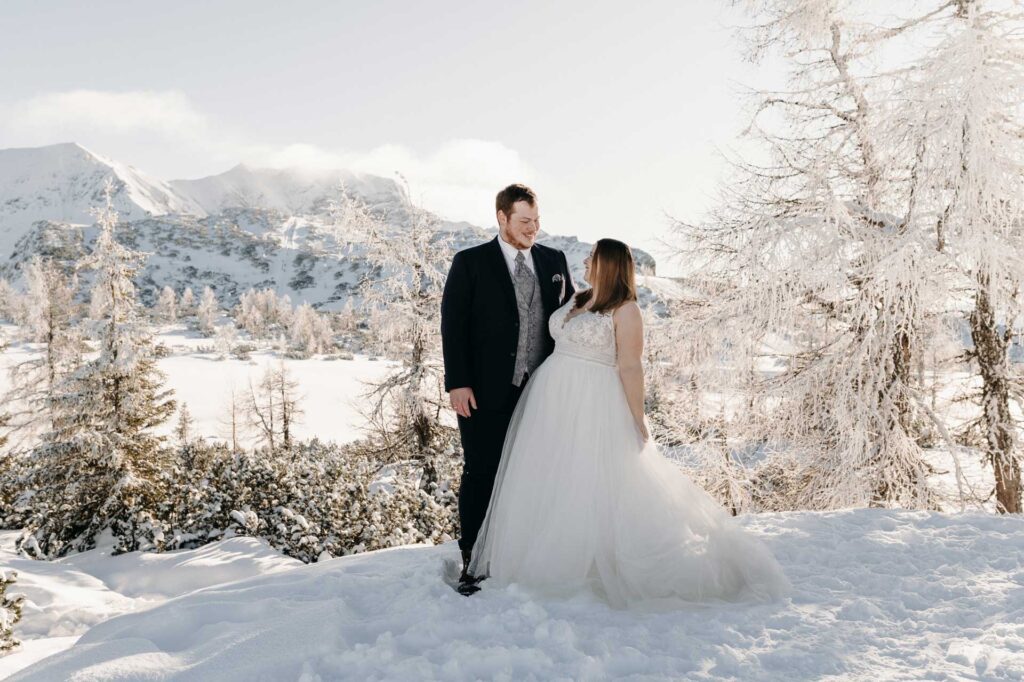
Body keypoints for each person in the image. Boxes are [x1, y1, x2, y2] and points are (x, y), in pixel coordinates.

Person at [467, 238, 792, 609]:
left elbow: (631, 366)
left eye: (592, 257)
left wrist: (636, 418)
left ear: (608, 265)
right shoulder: (579, 299)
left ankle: (590, 563)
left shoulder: (626, 310)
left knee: (592, 480)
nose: (585, 261)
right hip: (551, 399)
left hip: (592, 399)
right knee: (553, 476)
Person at [440, 183, 576, 595]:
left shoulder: (554, 260)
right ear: (502, 218)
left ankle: (524, 555)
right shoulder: (470, 262)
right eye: (525, 221)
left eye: (536, 221)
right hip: (482, 391)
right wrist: (458, 382)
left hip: (541, 390)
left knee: (534, 474)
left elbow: (569, 313)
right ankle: (473, 561)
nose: (534, 228)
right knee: (481, 473)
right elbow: (453, 324)